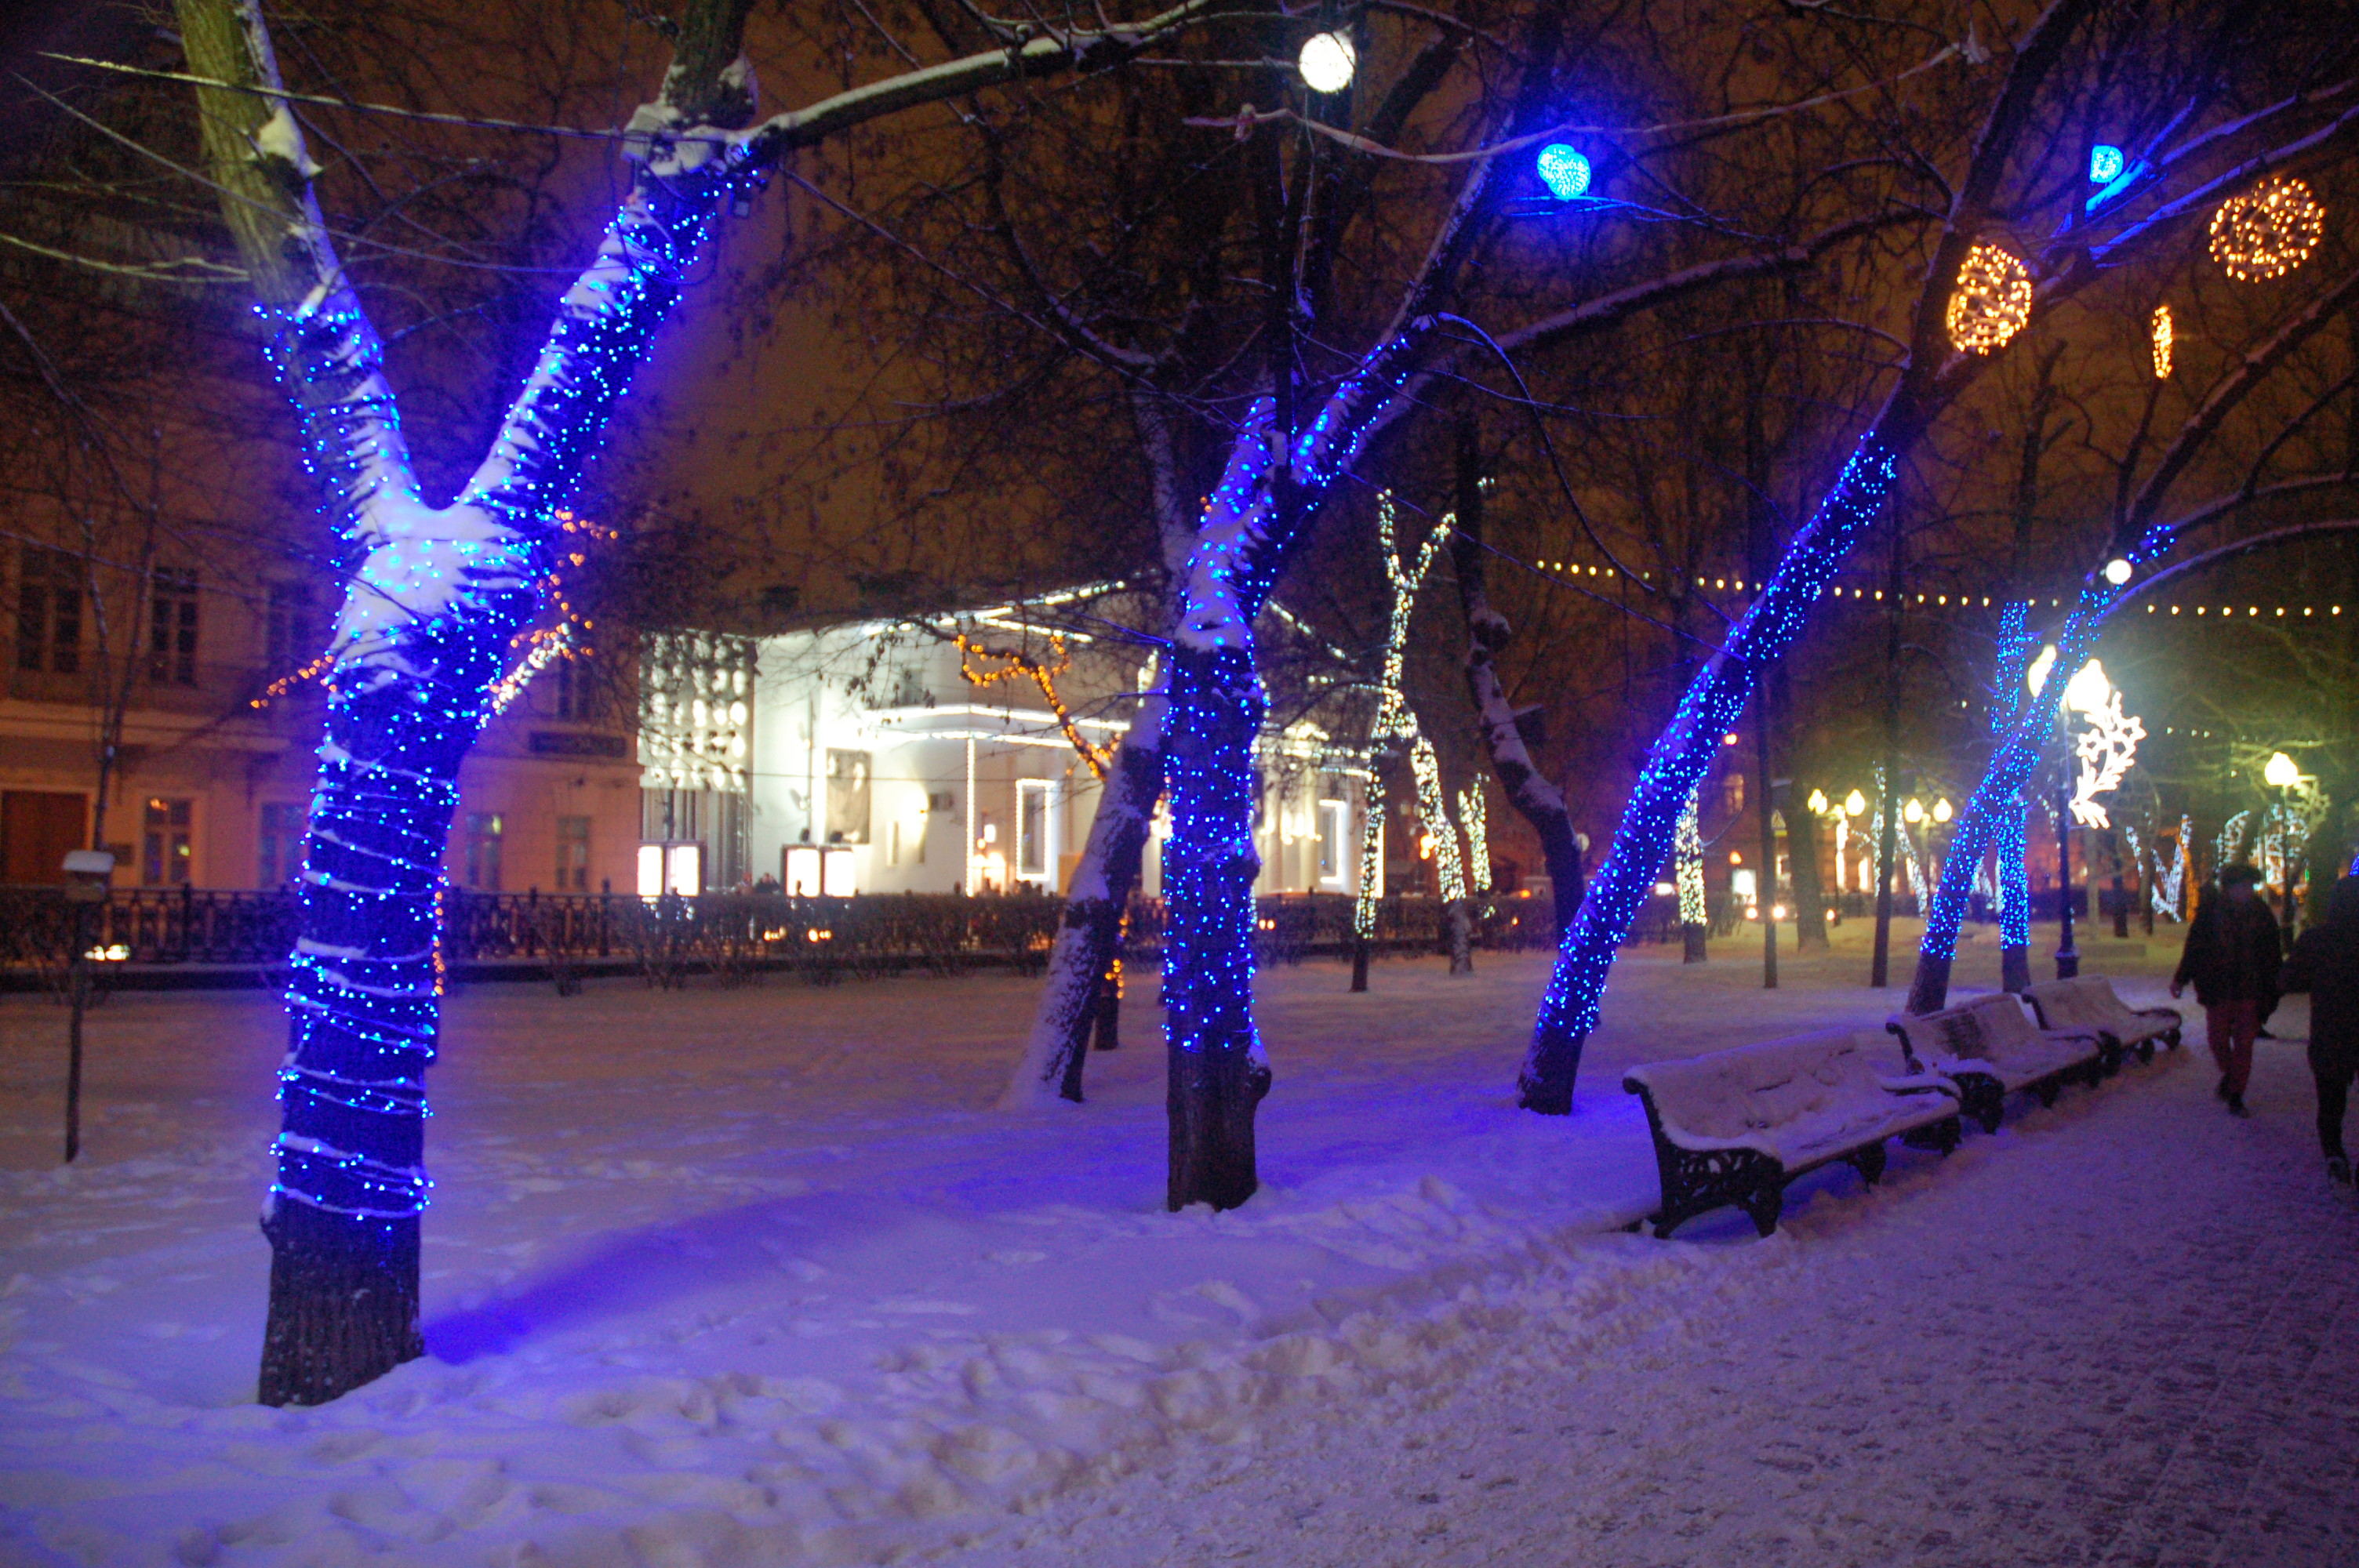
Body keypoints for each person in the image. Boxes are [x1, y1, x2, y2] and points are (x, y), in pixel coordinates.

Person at [2171, 862, 2281, 1117]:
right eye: (2241, 886)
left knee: (2244, 1044)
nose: (2246, 891)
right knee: (2217, 1040)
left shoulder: (2261, 914)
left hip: (2250, 989)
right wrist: (2180, 978)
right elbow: (2195, 948)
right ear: (2228, 888)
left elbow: (2272, 954)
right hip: (2218, 988)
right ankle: (2232, 1076)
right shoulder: (2211, 912)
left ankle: (2236, 1094)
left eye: (2249, 886)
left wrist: (2275, 986)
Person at [2280, 874, 2359, 1185]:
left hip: (2331, 1030)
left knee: (2331, 1102)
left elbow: (2290, 980)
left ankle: (2334, 1154)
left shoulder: (2316, 940)